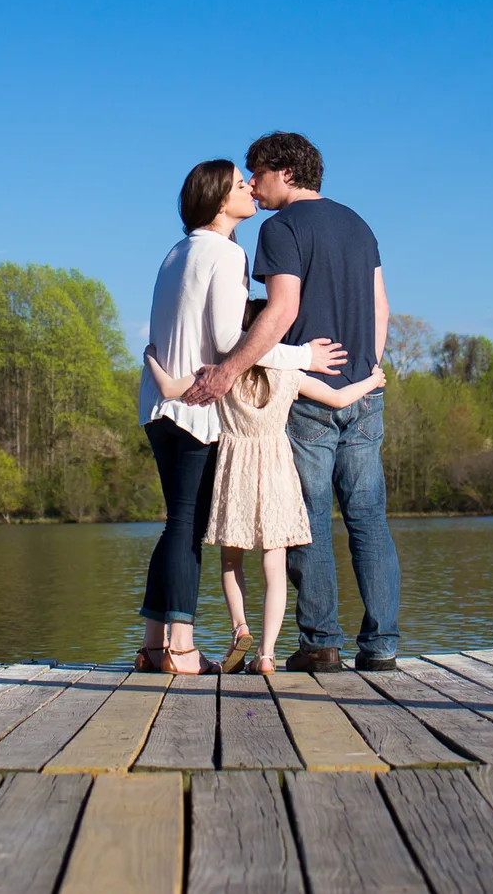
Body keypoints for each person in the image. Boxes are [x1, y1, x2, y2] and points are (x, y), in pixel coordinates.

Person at [182, 131, 399, 673]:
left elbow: (280, 311)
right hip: (362, 391)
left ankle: (321, 643)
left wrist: (231, 368)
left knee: (306, 522)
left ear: (284, 170)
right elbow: (382, 308)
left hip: (305, 396)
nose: (253, 185)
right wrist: (369, 369)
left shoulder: (282, 229)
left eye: (257, 172)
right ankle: (381, 647)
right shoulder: (359, 224)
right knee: (369, 519)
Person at [132, 159, 344, 674]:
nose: (250, 188)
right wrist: (303, 358)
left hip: (159, 404)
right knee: (187, 524)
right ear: (218, 199)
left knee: (175, 522)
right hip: (198, 408)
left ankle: (153, 644)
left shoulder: (174, 253)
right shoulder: (226, 255)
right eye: (239, 184)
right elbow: (234, 343)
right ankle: (180, 649)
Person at [145, 336, 382, 672]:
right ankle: (267, 654)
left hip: (235, 475)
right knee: (274, 569)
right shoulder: (289, 375)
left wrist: (151, 357)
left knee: (231, 562)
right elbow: (341, 398)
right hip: (276, 475)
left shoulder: (220, 376)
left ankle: (239, 627)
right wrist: (374, 380)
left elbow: (169, 389)